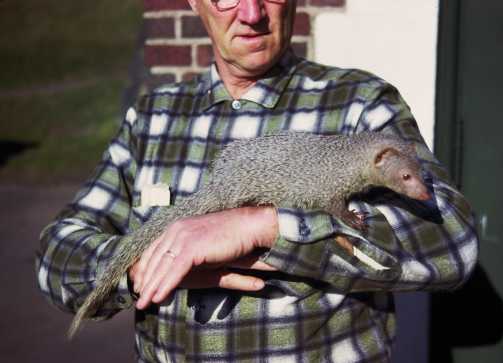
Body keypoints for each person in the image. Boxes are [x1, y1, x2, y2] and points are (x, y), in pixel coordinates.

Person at [36, 0, 478, 362]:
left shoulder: (361, 105)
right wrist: (144, 264)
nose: (251, 13)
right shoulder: (151, 117)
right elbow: (57, 254)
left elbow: (454, 246)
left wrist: (266, 227)